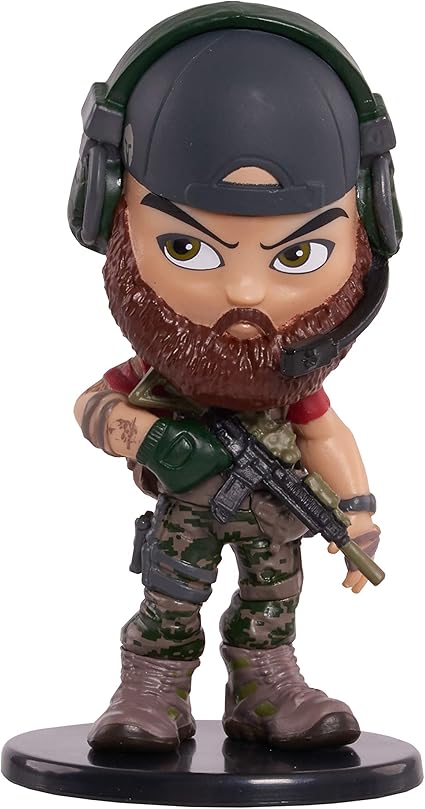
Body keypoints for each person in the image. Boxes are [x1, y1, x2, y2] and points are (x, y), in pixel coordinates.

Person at [70, 2, 400, 752]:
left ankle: (266, 684)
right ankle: (150, 687)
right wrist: (145, 436)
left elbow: (322, 431)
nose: (245, 291)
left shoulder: (290, 383)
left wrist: (355, 512)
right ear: (106, 210)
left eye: (296, 255)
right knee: (171, 595)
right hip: (187, 511)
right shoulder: (163, 374)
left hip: (275, 510)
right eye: (188, 248)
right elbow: (95, 404)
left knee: (272, 599)